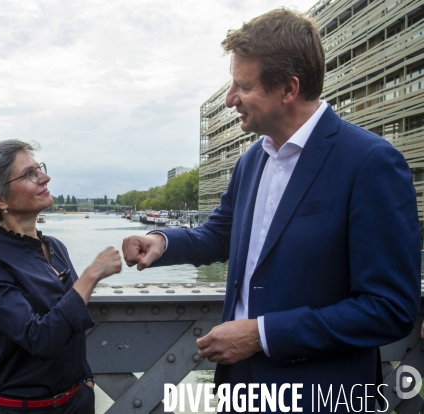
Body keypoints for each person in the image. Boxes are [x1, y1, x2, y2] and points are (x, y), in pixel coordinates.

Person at [122, 9, 421, 413]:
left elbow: (390, 309)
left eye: (242, 86)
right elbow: (219, 234)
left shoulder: (371, 163)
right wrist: (160, 241)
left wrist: (262, 335)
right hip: (238, 390)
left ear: (288, 89)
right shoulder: (251, 161)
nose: (230, 99)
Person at [0, 140, 122, 414]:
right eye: (28, 174)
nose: (45, 178)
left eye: (40, 169)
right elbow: (39, 337)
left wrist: (85, 381)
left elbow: (72, 326)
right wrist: (91, 274)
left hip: (75, 403)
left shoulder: (55, 247)